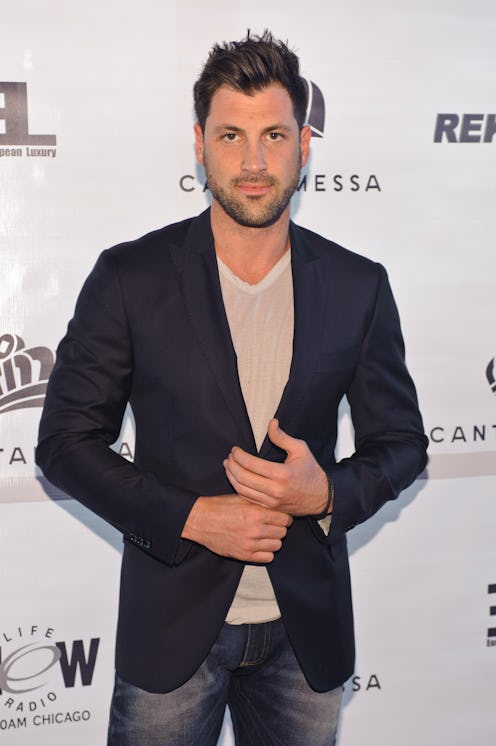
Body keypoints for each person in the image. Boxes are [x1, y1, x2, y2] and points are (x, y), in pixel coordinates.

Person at [36, 30, 428, 746]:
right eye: (231, 136)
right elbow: (63, 443)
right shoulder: (131, 277)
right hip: (172, 628)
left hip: (306, 637)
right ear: (200, 144)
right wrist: (192, 517)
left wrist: (326, 494)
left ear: (304, 146)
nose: (253, 162)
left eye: (274, 135)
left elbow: (402, 444)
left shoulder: (358, 284)